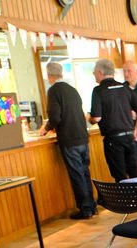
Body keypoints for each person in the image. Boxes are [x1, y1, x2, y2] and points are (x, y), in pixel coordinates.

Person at [40, 61, 96, 220]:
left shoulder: (54, 91)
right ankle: (92, 206)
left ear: (48, 75)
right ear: (61, 74)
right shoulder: (72, 89)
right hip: (82, 137)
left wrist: (46, 128)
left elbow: (55, 117)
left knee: (77, 174)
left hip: (69, 139)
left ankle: (85, 210)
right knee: (85, 172)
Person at [89, 58, 137, 182]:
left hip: (113, 140)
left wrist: (89, 118)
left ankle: (125, 201)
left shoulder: (98, 90)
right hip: (130, 137)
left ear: (100, 72)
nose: (94, 75)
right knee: (134, 173)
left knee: (120, 176)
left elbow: (97, 117)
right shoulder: (124, 88)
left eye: (94, 72)